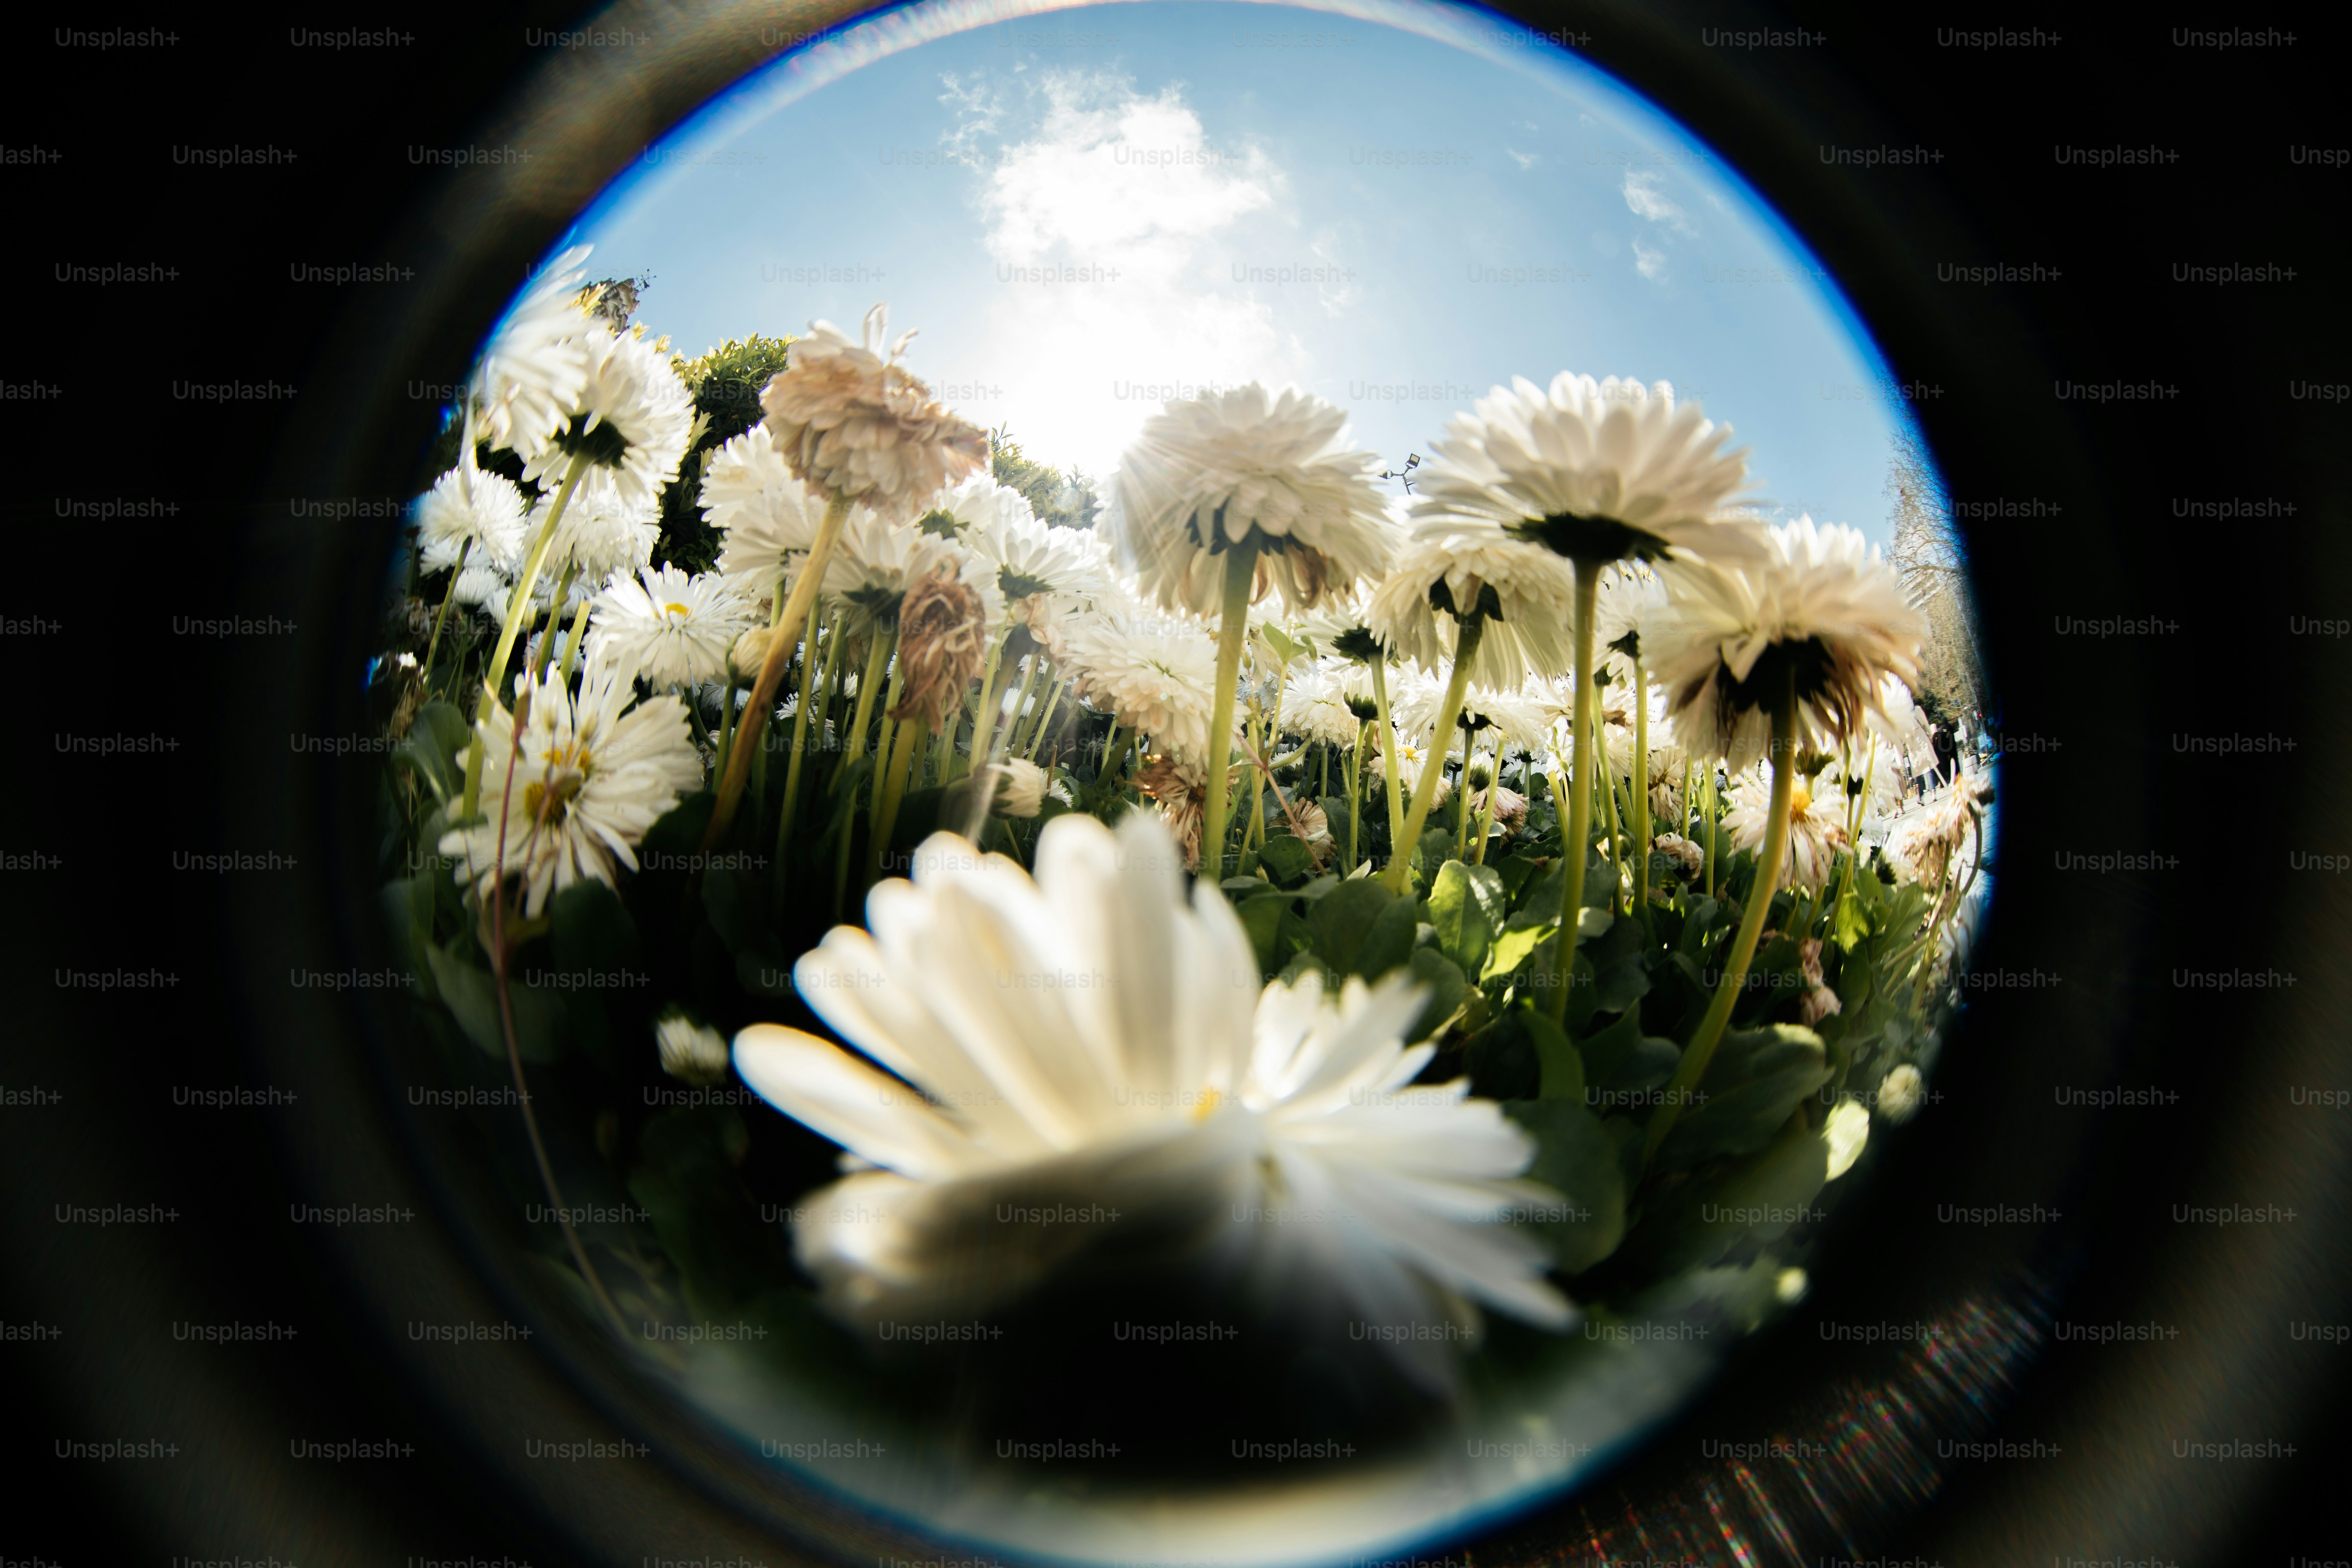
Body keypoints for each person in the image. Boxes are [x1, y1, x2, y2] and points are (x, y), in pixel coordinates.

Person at [1930, 722, 1957, 793]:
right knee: (1948, 768)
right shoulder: (1940, 735)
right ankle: (1952, 781)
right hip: (1944, 755)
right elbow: (1946, 744)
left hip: (1937, 757)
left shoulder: (1932, 739)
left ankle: (1943, 784)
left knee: (1941, 771)